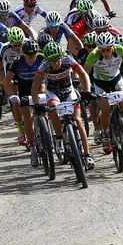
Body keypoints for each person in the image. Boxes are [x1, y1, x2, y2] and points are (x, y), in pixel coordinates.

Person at [31, 41, 96, 169]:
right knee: (54, 109)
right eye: (52, 61)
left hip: (68, 90)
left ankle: (87, 155)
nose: (56, 63)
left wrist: (87, 91)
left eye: (57, 59)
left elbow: (83, 74)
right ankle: (59, 138)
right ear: (47, 60)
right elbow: (35, 86)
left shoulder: (67, 60)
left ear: (61, 56)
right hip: (53, 93)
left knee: (78, 120)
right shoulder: (43, 66)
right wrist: (37, 103)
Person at [84, 32, 123, 153]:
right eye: (103, 50)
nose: (105, 53)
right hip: (100, 83)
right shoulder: (93, 55)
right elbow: (84, 73)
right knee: (105, 110)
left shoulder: (120, 50)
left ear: (113, 47)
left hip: (116, 78)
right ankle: (105, 134)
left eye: (108, 50)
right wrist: (87, 91)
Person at [5, 39, 44, 165]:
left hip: (38, 86)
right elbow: (6, 81)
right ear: (24, 54)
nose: (31, 59)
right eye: (28, 57)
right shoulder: (17, 62)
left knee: (45, 100)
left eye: (33, 56)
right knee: (27, 118)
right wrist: (11, 95)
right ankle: (32, 149)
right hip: (24, 89)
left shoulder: (42, 58)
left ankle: (47, 129)